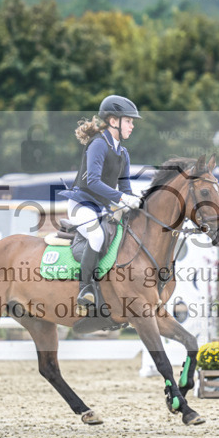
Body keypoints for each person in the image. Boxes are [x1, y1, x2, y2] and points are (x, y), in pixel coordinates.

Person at [58, 95, 144, 312]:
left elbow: (125, 190)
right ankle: (85, 288)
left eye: (132, 122)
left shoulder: (123, 153)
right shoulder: (98, 144)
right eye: (129, 121)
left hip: (102, 209)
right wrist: (123, 199)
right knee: (96, 235)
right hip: (82, 205)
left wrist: (135, 204)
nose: (132, 126)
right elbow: (93, 182)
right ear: (114, 121)